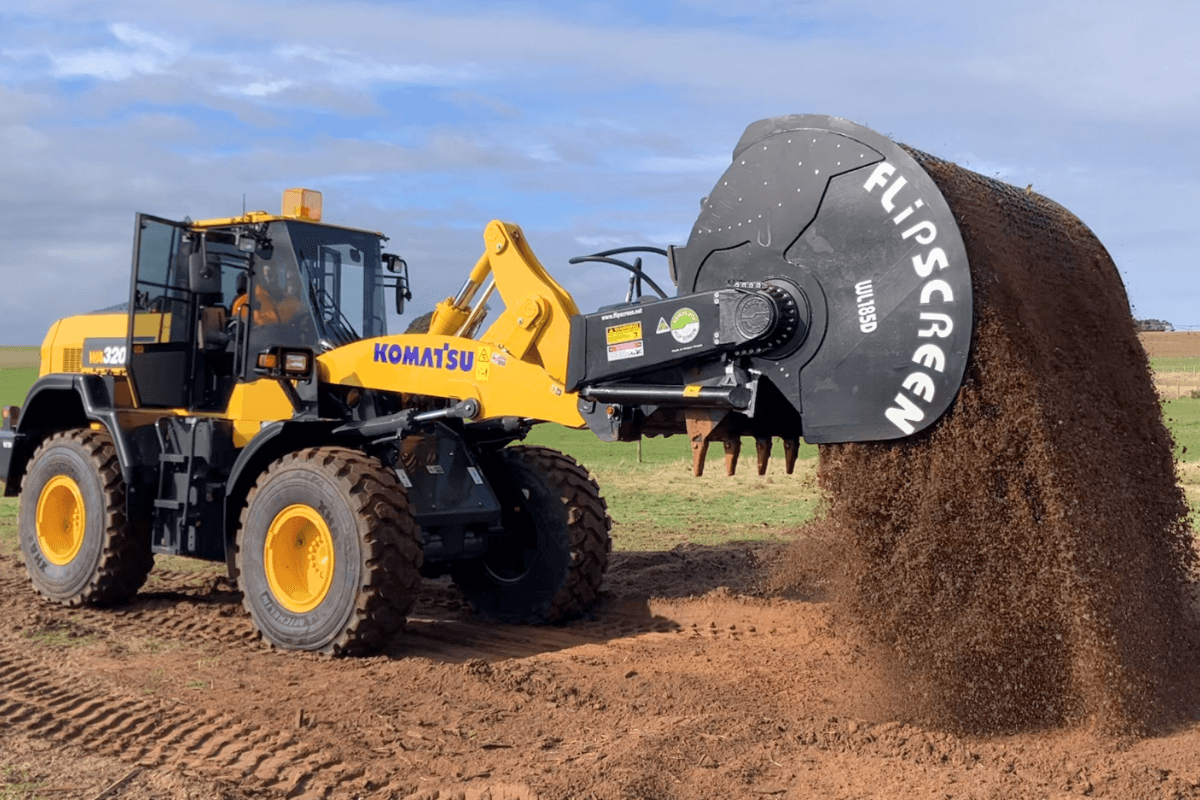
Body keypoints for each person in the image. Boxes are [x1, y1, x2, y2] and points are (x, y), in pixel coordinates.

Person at [232, 262, 304, 326]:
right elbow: (238, 331)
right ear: (260, 277)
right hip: (257, 340)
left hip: (286, 340)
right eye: (269, 275)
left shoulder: (292, 302)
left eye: (276, 275)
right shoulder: (244, 302)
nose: (273, 279)